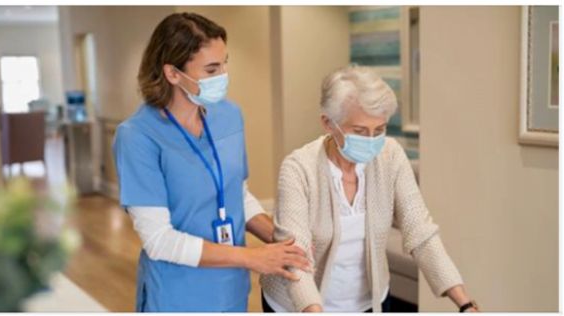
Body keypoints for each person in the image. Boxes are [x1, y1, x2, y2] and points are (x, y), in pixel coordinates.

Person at [112, 12, 309, 312]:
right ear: (173, 73)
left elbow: (237, 195)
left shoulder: (229, 115)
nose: (224, 76)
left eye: (225, 63)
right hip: (178, 294)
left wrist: (283, 241)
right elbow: (159, 240)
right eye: (212, 69)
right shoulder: (137, 137)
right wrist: (252, 257)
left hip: (231, 288)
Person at [260, 65, 479, 313]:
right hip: (298, 305)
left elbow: (420, 231)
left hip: (367, 302)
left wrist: (465, 303)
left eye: (380, 130)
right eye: (360, 131)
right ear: (328, 124)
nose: (373, 140)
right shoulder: (298, 169)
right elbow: (294, 259)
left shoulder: (391, 156)